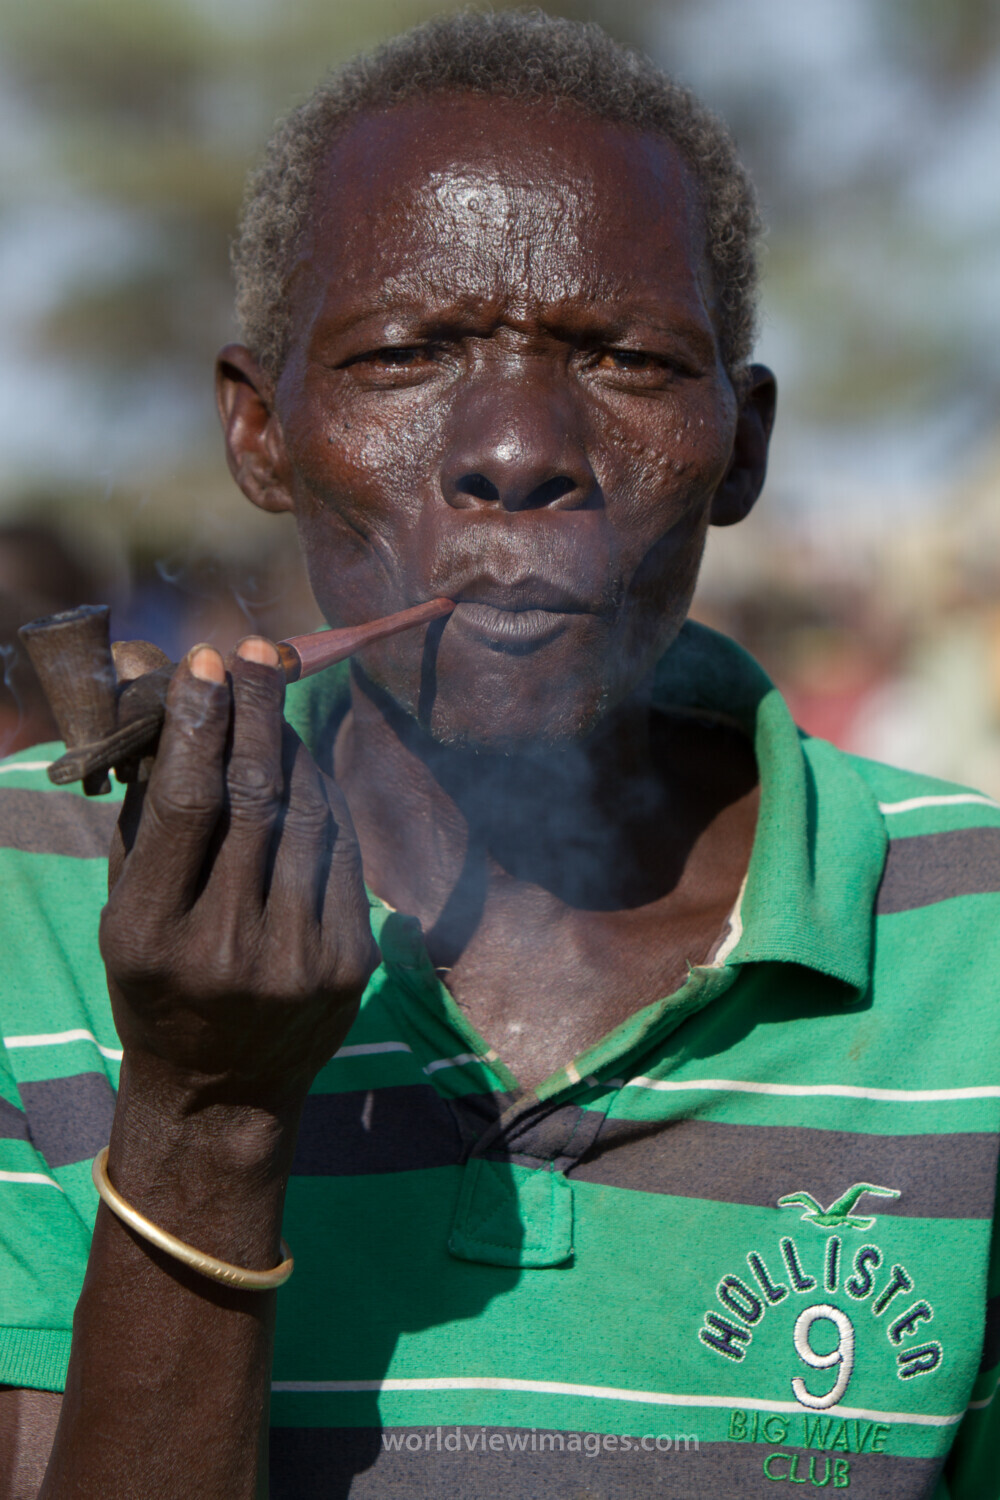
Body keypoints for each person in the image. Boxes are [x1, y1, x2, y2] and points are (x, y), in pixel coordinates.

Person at [0, 13, 997, 1498]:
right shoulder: (36, 898)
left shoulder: (970, 946)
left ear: (744, 446)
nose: (521, 448)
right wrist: (202, 1119)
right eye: (407, 353)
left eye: (630, 359)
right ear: (262, 434)